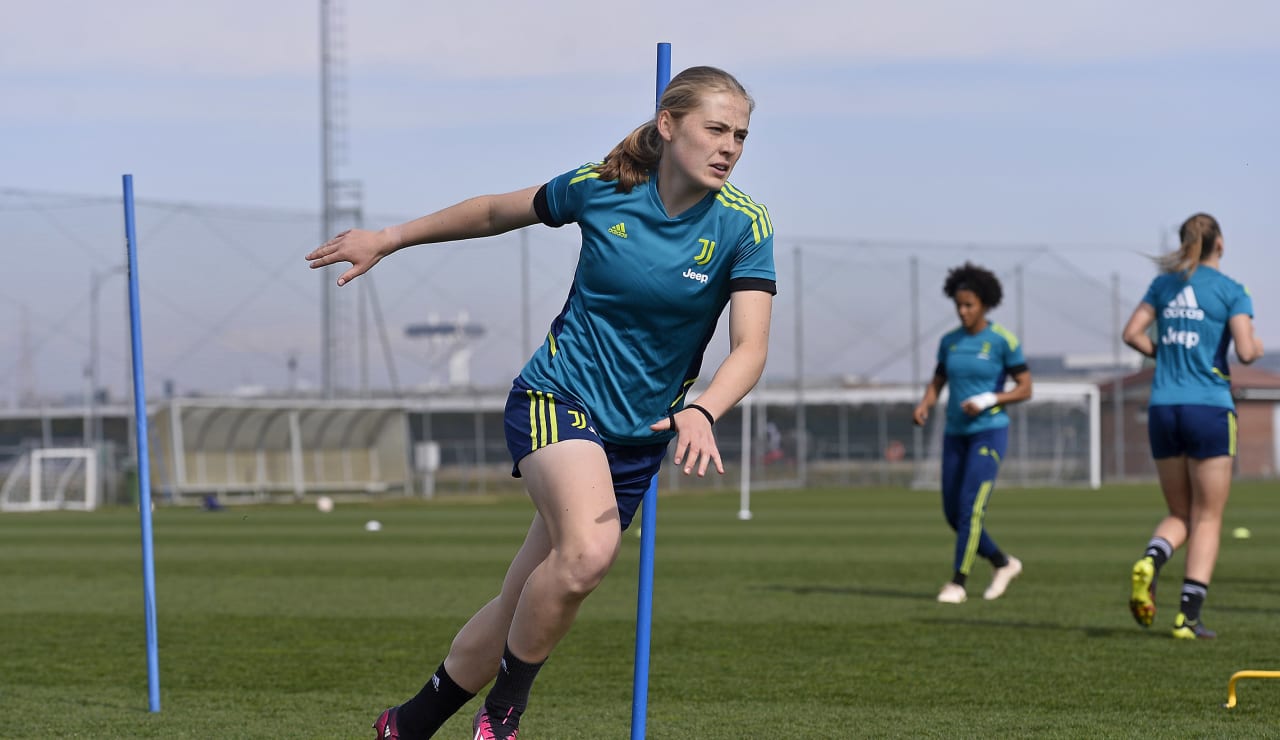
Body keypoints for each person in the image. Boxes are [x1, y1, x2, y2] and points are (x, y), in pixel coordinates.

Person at [306, 66, 775, 739]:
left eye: (741, 135)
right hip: (557, 397)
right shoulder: (603, 189)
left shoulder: (744, 224)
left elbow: (750, 347)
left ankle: (405, 725)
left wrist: (703, 410)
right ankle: (503, 717)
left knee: (522, 602)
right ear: (669, 126)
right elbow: (496, 211)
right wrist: (389, 238)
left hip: (638, 438)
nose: (730, 146)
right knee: (588, 553)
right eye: (716, 129)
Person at [1121, 213, 1262, 640]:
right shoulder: (1231, 291)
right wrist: (1253, 339)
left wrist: (1163, 354)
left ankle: (1151, 558)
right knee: (1207, 517)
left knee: (1178, 513)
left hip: (1164, 407)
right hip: (1209, 408)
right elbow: (1247, 352)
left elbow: (1131, 333)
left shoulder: (1163, 286)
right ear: (1220, 244)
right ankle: (1187, 618)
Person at [912, 262, 1032, 604]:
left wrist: (991, 398)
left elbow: (1025, 388)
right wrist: (925, 403)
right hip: (955, 433)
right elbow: (938, 380)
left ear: (985, 304)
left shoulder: (1002, 341)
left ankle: (958, 582)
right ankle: (1002, 562)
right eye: (959, 305)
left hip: (988, 433)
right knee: (953, 513)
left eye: (970, 305)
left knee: (970, 509)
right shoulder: (949, 342)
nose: (963, 311)